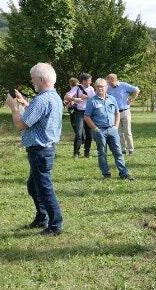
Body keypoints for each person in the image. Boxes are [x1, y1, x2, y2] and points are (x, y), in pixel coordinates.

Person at [6, 63, 64, 236]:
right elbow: (37, 114)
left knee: (44, 187)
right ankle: (42, 217)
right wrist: (24, 103)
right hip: (44, 149)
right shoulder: (53, 96)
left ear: (40, 79)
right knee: (33, 185)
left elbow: (21, 124)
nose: (32, 83)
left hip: (40, 150)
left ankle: (55, 225)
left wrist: (14, 107)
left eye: (33, 79)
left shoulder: (41, 99)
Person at [84, 78, 134, 181]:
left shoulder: (112, 99)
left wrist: (116, 126)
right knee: (102, 153)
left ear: (106, 87)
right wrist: (95, 128)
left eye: (102, 86)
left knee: (118, 152)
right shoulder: (92, 101)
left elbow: (117, 113)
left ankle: (124, 173)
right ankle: (106, 174)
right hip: (100, 131)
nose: (100, 89)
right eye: (98, 87)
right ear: (95, 88)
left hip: (112, 129)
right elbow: (86, 117)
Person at [106, 73, 140, 155]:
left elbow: (136, 90)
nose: (109, 84)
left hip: (125, 111)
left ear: (115, 80)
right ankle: (122, 149)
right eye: (108, 82)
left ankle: (131, 149)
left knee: (127, 131)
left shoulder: (124, 85)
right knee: (118, 132)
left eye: (111, 82)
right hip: (114, 113)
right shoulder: (108, 88)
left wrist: (132, 99)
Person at [64, 73, 95, 158]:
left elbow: (94, 99)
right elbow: (66, 97)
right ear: (84, 81)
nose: (91, 82)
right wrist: (75, 99)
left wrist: (87, 97)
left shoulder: (91, 88)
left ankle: (87, 153)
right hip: (79, 113)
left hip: (89, 113)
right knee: (78, 133)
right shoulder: (76, 88)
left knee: (89, 134)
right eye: (89, 80)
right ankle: (76, 153)